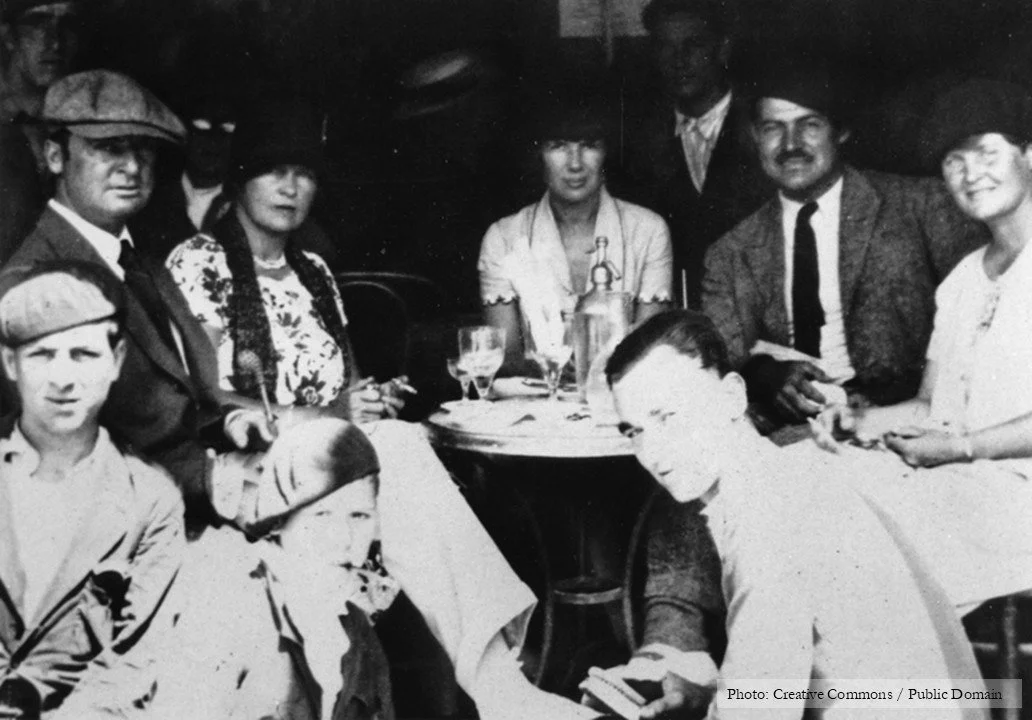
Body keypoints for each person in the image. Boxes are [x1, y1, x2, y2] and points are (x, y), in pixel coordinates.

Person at [164, 97, 596, 720]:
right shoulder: (198, 264)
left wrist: (369, 399)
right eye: (273, 170)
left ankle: (498, 682)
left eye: (305, 173)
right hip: (261, 469)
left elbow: (350, 383)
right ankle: (501, 685)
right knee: (398, 449)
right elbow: (209, 398)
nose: (291, 187)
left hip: (342, 465)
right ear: (240, 178)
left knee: (399, 439)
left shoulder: (313, 270)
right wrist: (334, 413)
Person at [602, 310, 987, 720]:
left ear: (732, 397)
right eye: (635, 431)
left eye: (668, 417)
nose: (653, 452)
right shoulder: (785, 474)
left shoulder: (762, 519)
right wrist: (709, 697)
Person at [814, 77, 1032, 610]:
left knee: (864, 543)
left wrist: (960, 450)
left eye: (985, 152)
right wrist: (859, 422)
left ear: (1029, 154)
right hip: (967, 485)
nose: (970, 173)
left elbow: (956, 438)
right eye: (953, 162)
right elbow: (931, 406)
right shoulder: (963, 279)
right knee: (817, 494)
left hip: (1018, 496)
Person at [702, 59, 988, 429]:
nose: (791, 145)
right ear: (755, 137)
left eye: (810, 125)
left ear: (841, 132)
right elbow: (718, 358)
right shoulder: (731, 252)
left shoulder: (921, 208)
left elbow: (982, 327)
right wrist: (764, 374)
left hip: (909, 426)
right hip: (788, 438)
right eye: (774, 128)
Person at [0, 259, 184, 718]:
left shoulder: (150, 500)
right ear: (10, 362)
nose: (63, 379)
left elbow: (134, 663)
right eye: (41, 354)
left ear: (117, 360)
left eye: (83, 354)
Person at [152, 419, 397, 720]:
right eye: (321, 515)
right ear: (279, 521)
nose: (344, 538)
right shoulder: (228, 615)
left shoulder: (355, 634)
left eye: (359, 515)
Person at [478, 90, 673, 370]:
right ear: (538, 155)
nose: (575, 163)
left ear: (607, 152)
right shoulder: (502, 237)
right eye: (558, 146)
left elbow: (649, 352)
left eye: (589, 145)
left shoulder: (648, 231)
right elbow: (506, 360)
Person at [617, 0, 771, 307]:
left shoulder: (764, 127)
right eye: (665, 47)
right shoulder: (641, 142)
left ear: (722, 49)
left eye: (694, 45)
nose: (679, 61)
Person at [0, 0, 83, 263]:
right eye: (38, 23)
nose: (55, 42)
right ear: (8, 36)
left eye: (67, 25)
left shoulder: (82, 123)